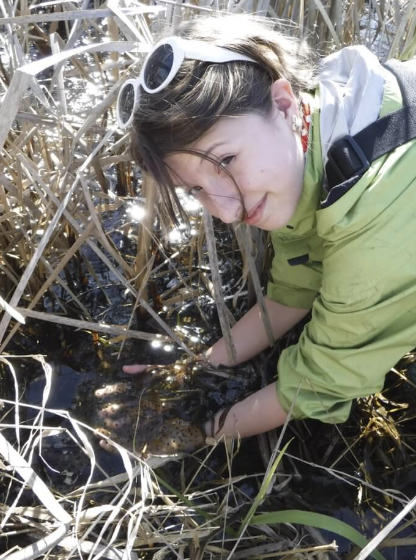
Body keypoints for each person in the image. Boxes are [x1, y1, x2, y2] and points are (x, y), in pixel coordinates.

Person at [103, 13, 416, 451]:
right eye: (195, 188)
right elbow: (295, 287)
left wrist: (192, 434)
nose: (227, 212)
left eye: (226, 161)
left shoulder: (375, 225)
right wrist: (191, 373)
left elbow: (321, 383)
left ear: (284, 102)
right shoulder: (316, 130)